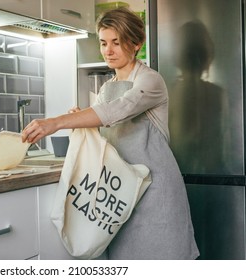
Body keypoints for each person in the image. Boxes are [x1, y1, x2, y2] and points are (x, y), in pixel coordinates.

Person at [22, 7, 199, 260]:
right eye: (104, 43)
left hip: (156, 192)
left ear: (136, 43)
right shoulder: (106, 89)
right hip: (119, 193)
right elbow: (106, 132)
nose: (108, 50)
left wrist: (57, 122)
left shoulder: (151, 81)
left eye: (117, 42)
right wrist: (83, 122)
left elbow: (118, 110)